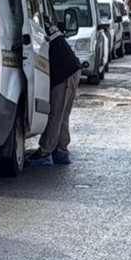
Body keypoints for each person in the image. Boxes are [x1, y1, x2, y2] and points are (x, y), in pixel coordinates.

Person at [27, 23, 84, 166]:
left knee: (55, 114)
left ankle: (45, 152)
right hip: (72, 69)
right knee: (63, 114)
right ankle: (61, 151)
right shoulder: (44, 24)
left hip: (64, 73)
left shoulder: (34, 28)